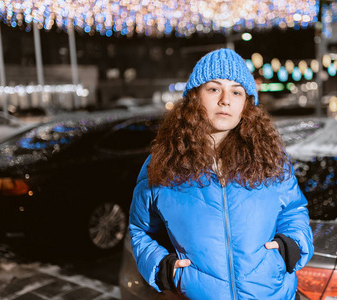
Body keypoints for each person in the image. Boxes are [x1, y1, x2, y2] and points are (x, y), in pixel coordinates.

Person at [129, 48, 314, 300]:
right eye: (214, 89)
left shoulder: (270, 160)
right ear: (195, 97)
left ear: (246, 104)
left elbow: (293, 211)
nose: (225, 99)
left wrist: (289, 247)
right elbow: (141, 230)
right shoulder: (163, 164)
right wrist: (163, 268)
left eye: (236, 91)